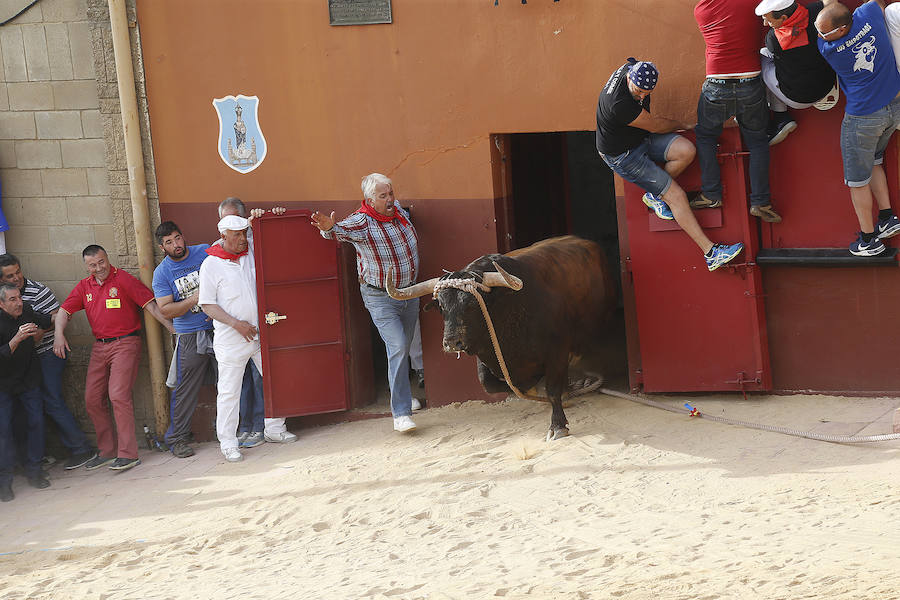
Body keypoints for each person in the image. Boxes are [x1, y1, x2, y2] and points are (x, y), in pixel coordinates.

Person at [595, 58, 745, 271]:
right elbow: (656, 125)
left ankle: (654, 195)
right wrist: (683, 124)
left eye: (647, 92)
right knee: (676, 196)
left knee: (686, 151)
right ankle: (711, 253)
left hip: (637, 138)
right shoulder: (619, 105)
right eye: (638, 91)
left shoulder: (634, 67)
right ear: (629, 77)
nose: (642, 96)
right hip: (623, 155)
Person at [311, 173, 421, 431]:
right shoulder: (363, 221)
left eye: (391, 193)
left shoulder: (399, 213)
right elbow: (340, 231)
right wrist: (329, 228)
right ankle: (401, 413)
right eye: (383, 196)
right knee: (398, 345)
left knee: (402, 349)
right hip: (381, 297)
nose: (390, 199)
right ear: (370, 200)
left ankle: (402, 396)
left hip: (410, 292)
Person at [53, 245, 174, 472]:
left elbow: (150, 305)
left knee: (118, 395)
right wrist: (58, 335)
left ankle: (128, 454)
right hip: (99, 347)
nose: (99, 268)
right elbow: (63, 311)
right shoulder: (84, 286)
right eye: (93, 265)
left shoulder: (124, 279)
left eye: (101, 262)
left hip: (126, 343)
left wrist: (172, 327)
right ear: (86, 266)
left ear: (107, 258)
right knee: (91, 399)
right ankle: (107, 451)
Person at [199, 215, 296, 463]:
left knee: (274, 380)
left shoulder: (252, 251)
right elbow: (207, 305)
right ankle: (228, 443)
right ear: (223, 236)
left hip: (263, 331)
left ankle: (275, 429)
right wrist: (236, 324)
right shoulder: (211, 264)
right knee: (229, 392)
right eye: (237, 235)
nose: (243, 239)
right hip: (232, 338)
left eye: (245, 233)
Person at [815, 0, 900, 256]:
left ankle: (868, 239)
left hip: (862, 118)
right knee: (874, 161)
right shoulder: (870, 14)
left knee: (857, 181)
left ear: (841, 30)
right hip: (892, 110)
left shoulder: (828, 48)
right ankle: (887, 218)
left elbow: (831, 7)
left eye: (824, 32)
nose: (820, 36)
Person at [0, 254, 97, 470]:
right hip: (19, 362)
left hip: (48, 351)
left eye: (18, 272)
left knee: (49, 398)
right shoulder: (3, 298)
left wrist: (40, 332)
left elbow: (61, 315)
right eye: (10, 275)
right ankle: (38, 457)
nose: (16, 278)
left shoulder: (38, 291)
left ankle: (82, 449)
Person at [694, 0, 783, 224]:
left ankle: (711, 194)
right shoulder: (753, 4)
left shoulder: (701, 10)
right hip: (750, 80)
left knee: (706, 136)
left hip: (717, 82)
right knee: (757, 142)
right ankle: (761, 201)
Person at [152, 222, 217, 459]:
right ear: (162, 247)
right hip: (190, 335)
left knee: (230, 382)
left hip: (220, 328)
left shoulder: (205, 252)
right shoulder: (162, 273)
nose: (176, 245)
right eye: (169, 242)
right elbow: (166, 310)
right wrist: (195, 299)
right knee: (185, 389)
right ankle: (177, 438)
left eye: (178, 238)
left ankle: (234, 431)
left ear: (183, 236)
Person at [756, 0, 839, 145]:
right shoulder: (815, 13)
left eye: (768, 20)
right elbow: (831, 2)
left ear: (783, 18)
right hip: (826, 85)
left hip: (798, 98)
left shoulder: (773, 39)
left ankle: (780, 116)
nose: (764, 24)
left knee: (762, 57)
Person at [0, 283, 53, 501]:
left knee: (36, 423)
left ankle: (35, 471)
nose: (19, 303)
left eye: (19, 298)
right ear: (1, 304)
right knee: (3, 432)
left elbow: (52, 318)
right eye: (12, 300)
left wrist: (51, 333)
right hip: (2, 384)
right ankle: (5, 482)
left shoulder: (28, 310)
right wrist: (17, 339)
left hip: (28, 379)